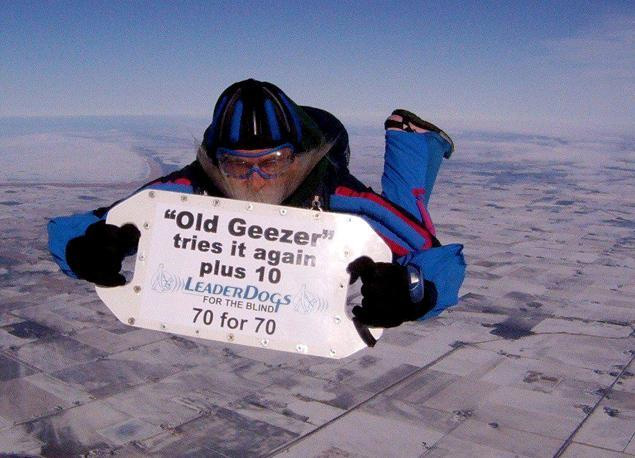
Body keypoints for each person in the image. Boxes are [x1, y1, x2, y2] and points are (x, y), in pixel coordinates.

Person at [48, 79, 465, 329]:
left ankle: (413, 140)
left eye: (273, 163)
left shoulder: (338, 195)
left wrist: (415, 292)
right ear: (216, 161)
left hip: (324, 149)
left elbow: (432, 254)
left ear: (296, 158)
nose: (255, 178)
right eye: (236, 164)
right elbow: (96, 222)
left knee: (406, 219)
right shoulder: (191, 186)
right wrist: (87, 248)